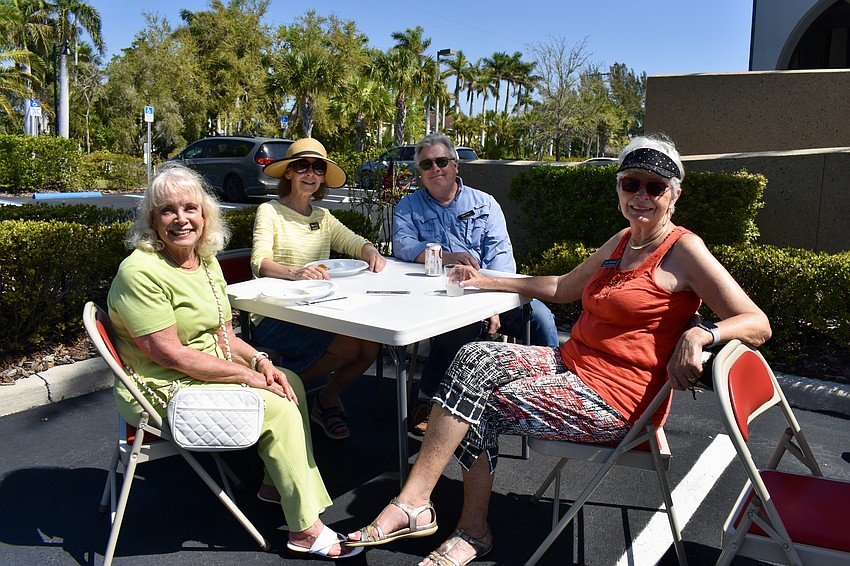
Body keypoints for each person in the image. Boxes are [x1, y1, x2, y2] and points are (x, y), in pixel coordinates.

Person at [347, 135, 771, 565]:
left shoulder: (684, 249)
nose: (641, 196)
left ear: (674, 195)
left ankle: (467, 528)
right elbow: (563, 287)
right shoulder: (623, 240)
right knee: (471, 357)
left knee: (479, 406)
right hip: (572, 365)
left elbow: (757, 323)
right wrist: (489, 282)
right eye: (631, 184)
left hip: (618, 400)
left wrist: (699, 336)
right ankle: (418, 502)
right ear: (620, 190)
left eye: (654, 187)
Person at [107, 163, 361, 560]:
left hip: (200, 372)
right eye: (167, 210)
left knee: (289, 381)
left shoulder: (204, 260)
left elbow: (223, 333)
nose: (181, 219)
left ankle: (274, 486)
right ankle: (306, 531)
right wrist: (246, 376)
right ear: (152, 220)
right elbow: (170, 354)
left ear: (205, 215)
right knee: (276, 408)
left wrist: (260, 361)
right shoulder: (140, 272)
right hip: (160, 390)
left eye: (190, 208)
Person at [393, 133, 559, 436]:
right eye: (427, 164)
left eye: (441, 161)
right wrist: (447, 256)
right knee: (458, 325)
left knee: (541, 319)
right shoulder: (408, 206)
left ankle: (548, 393)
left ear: (455, 165)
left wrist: (491, 304)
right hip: (438, 297)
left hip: (492, 290)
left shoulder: (485, 204)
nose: (435, 169)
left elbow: (502, 260)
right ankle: (428, 397)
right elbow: (403, 246)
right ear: (420, 172)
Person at [250, 138, 386, 440]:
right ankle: (270, 384)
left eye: (318, 168)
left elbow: (352, 241)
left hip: (317, 310)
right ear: (288, 173)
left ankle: (324, 398)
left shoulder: (322, 217)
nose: (310, 174)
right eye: (302, 166)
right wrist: (295, 272)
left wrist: (371, 252)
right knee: (350, 346)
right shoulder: (269, 211)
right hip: (275, 314)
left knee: (370, 346)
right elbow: (259, 262)